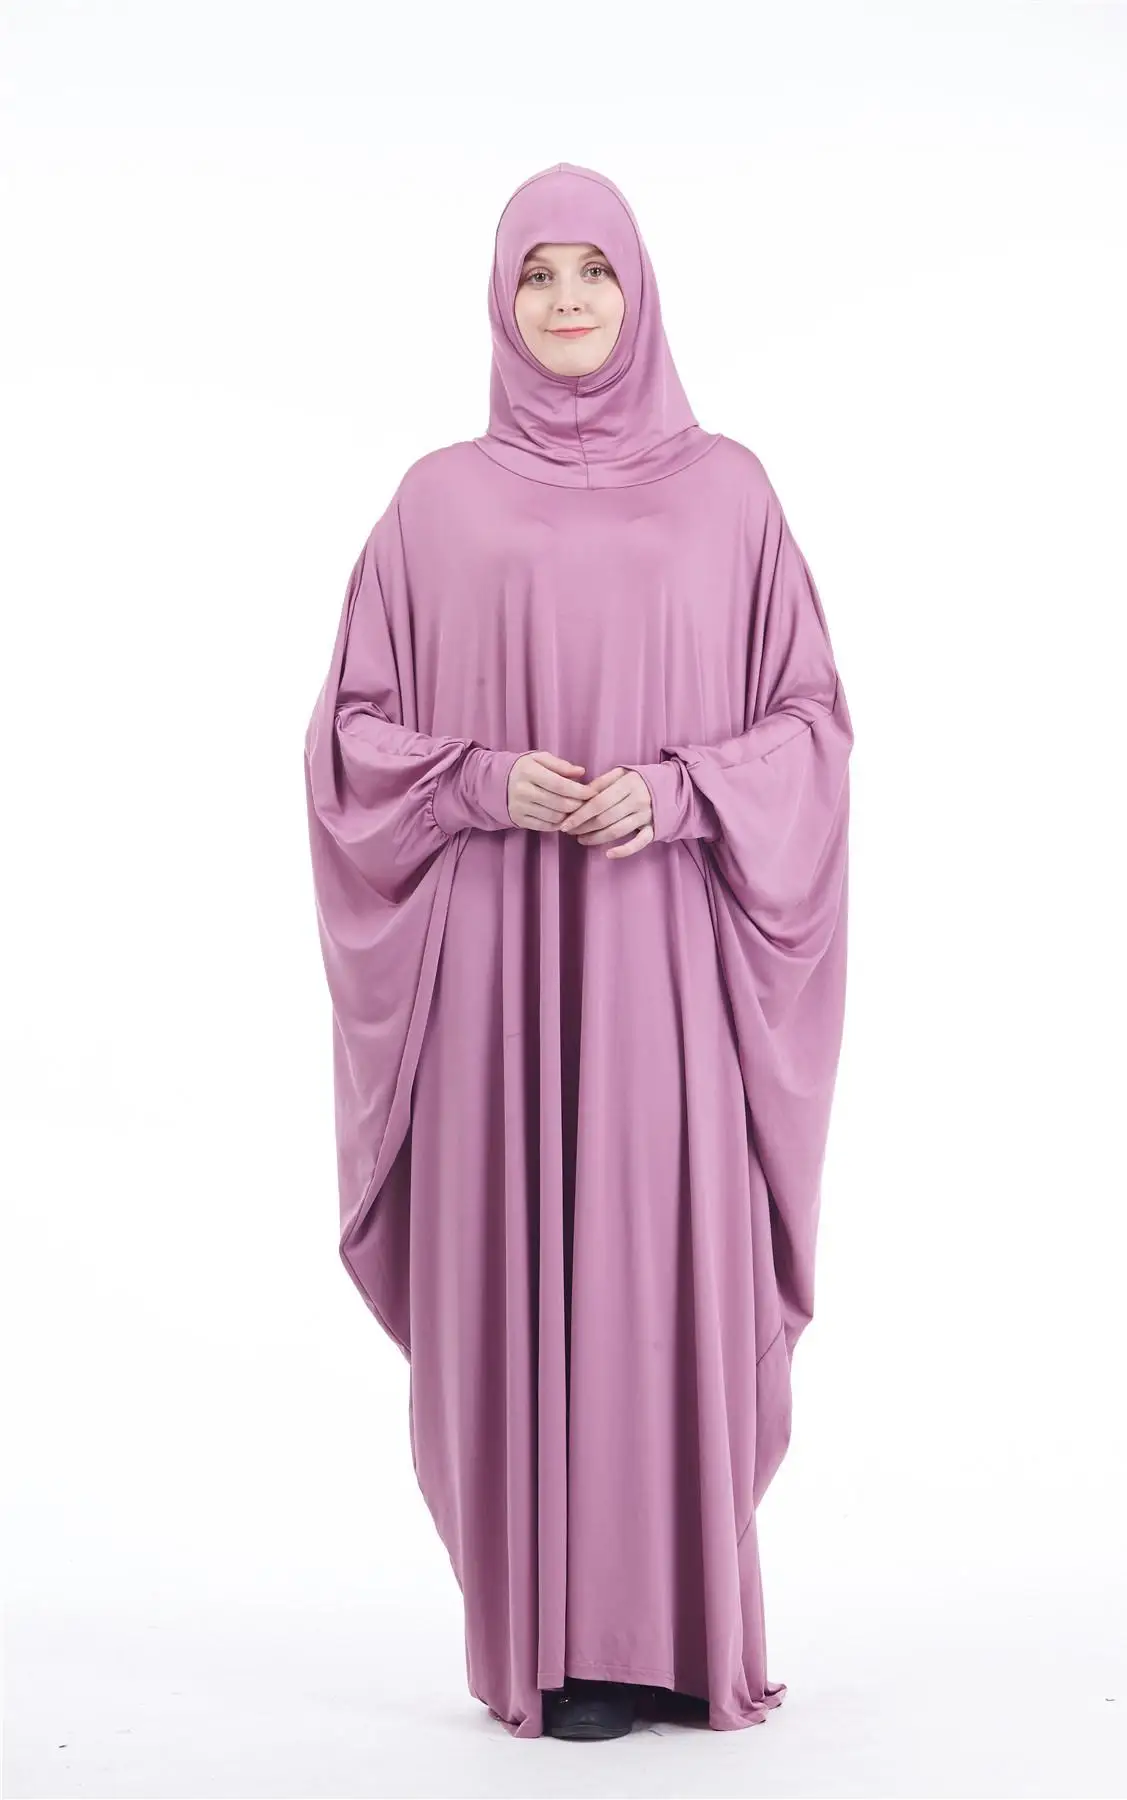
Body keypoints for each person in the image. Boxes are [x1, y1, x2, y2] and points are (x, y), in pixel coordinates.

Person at [303, 161, 853, 1742]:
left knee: (658, 1251)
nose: (564, 300)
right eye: (535, 273)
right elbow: (347, 744)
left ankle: (666, 1629)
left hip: (665, 962)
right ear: (500, 299)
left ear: (638, 290)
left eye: (592, 270)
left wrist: (682, 795)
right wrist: (484, 781)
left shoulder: (730, 495)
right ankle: (552, 1640)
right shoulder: (437, 506)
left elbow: (814, 730)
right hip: (501, 971)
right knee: (523, 1250)